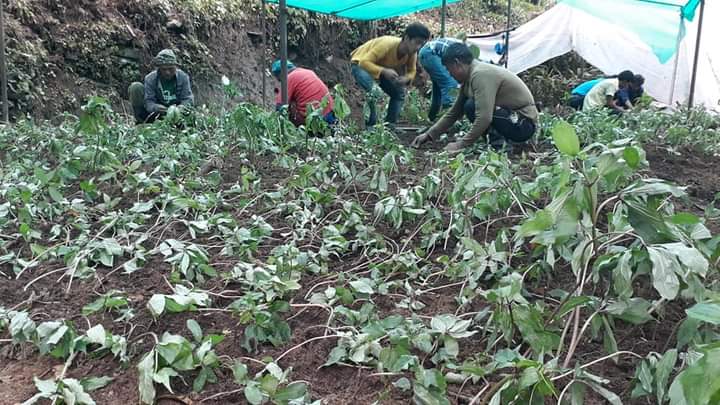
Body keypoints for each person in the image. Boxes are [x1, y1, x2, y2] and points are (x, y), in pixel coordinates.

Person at [412, 43, 538, 153]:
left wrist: (460, 144)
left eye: (449, 70)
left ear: (457, 63)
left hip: (522, 125)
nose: (449, 74)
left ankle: (501, 145)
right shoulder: (469, 78)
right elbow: (454, 113)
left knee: (472, 106)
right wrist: (429, 135)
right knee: (469, 105)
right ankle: (497, 142)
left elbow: (484, 117)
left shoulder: (480, 74)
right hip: (509, 118)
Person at [351, 22, 431, 127]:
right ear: (406, 38)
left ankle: (389, 126)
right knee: (374, 92)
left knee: (399, 94)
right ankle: (371, 126)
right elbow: (364, 62)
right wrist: (384, 71)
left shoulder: (412, 53)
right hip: (359, 64)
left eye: (422, 44)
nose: (418, 47)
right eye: (417, 42)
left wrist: (406, 78)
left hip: (379, 68)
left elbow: (412, 70)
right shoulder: (387, 44)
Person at [128, 49, 194, 124]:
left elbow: (188, 99)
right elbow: (148, 102)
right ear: (159, 69)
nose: (167, 72)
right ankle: (141, 122)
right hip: (156, 115)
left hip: (177, 116)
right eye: (164, 69)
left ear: (175, 67)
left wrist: (180, 108)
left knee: (190, 115)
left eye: (171, 69)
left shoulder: (183, 77)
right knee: (135, 87)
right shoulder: (150, 79)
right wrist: (155, 107)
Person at [271, 60, 335, 127]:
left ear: (281, 74)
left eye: (279, 78)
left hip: (315, 120)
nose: (279, 81)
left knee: (290, 106)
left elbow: (281, 105)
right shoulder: (307, 72)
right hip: (330, 112)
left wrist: (276, 124)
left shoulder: (289, 78)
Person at [419, 37, 463, 121]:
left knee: (438, 88)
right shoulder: (469, 57)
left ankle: (432, 117)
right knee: (449, 84)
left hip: (428, 53)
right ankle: (449, 119)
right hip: (431, 53)